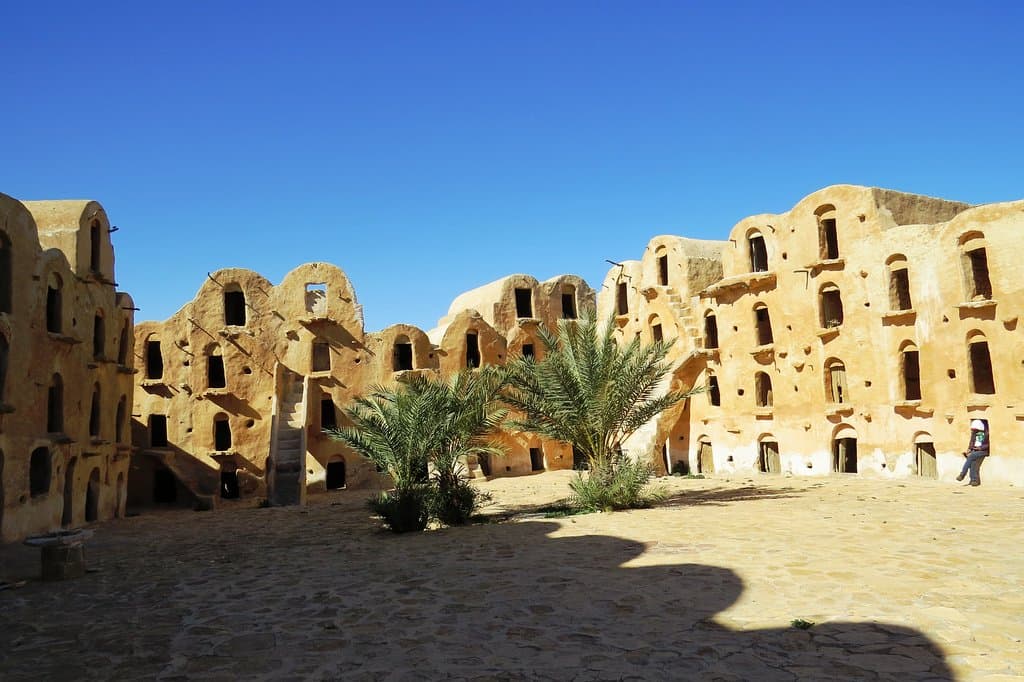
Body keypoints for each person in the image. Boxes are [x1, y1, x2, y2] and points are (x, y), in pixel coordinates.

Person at [956, 418, 989, 486]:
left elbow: (988, 444)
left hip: (983, 451)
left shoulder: (986, 434)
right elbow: (972, 442)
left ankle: (962, 474)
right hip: (975, 450)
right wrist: (969, 449)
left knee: (971, 456)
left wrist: (980, 448)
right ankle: (974, 480)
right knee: (973, 463)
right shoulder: (974, 433)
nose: (974, 431)